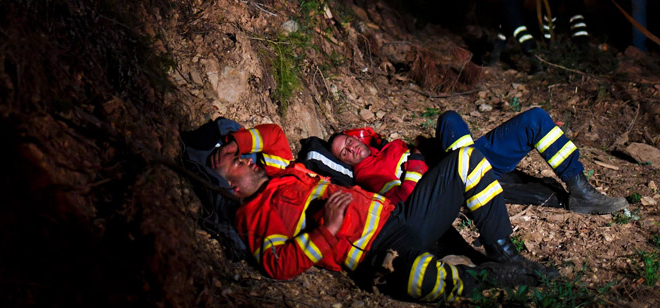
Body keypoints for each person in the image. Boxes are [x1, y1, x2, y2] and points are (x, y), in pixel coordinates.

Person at [208, 123, 558, 302]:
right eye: (234, 165)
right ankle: (490, 282)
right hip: (379, 250)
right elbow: (277, 266)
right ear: (232, 189)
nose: (241, 159)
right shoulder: (253, 219)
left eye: (238, 155)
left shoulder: (281, 171)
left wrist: (236, 142)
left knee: (466, 160)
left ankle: (507, 255)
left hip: (399, 216)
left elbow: (272, 135)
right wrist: (326, 231)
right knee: (418, 274)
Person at [327, 109, 627, 215]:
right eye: (344, 152)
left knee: (535, 119)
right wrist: (418, 158)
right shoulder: (369, 174)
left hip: (473, 158)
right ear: (346, 163)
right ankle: (476, 179)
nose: (351, 148)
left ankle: (581, 190)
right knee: (447, 120)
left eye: (349, 141)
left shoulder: (381, 147)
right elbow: (405, 196)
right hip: (451, 180)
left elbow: (362, 133)